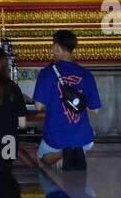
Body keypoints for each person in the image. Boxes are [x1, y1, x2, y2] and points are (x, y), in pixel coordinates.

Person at [31, 29, 101, 170]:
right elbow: (95, 110)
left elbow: (38, 107)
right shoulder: (86, 75)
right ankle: (73, 153)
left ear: (57, 47)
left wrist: (54, 104)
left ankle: (63, 154)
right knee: (79, 146)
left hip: (56, 138)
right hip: (84, 139)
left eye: (53, 46)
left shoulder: (46, 73)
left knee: (39, 158)